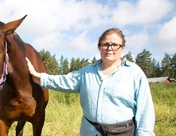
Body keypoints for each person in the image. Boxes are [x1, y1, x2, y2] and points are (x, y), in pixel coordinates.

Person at [26, 28, 155, 136]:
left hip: (123, 132)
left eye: (115, 44)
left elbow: (145, 110)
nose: (110, 48)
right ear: (99, 47)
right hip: (90, 132)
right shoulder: (86, 72)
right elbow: (64, 81)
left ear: (122, 48)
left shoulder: (134, 73)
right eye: (105, 44)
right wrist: (37, 75)